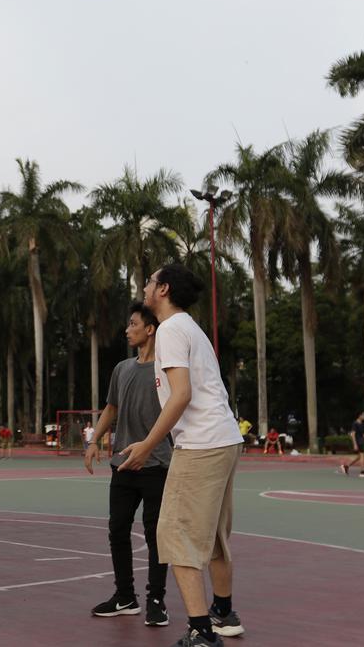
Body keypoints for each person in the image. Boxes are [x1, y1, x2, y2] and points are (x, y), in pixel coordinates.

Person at [119, 264, 246, 646]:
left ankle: (201, 631)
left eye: (150, 281)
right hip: (223, 439)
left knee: (177, 536)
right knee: (214, 535)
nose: (145, 286)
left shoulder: (172, 329)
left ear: (164, 290)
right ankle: (222, 611)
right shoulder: (191, 327)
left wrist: (147, 444)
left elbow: (181, 395)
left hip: (202, 443)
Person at [85, 302, 173, 628]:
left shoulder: (166, 371)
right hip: (123, 465)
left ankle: (155, 599)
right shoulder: (122, 369)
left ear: (149, 329)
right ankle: (125, 596)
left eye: (133, 323)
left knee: (155, 535)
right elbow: (110, 409)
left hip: (157, 464)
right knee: (117, 530)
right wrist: (94, 441)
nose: (127, 329)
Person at [340, 411, 364, 478]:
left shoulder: (362, 424)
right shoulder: (355, 423)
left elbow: (363, 434)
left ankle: (346, 466)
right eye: (363, 415)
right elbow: (353, 434)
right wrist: (355, 444)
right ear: (359, 416)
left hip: (361, 441)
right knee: (362, 456)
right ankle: (362, 472)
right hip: (358, 442)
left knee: (359, 457)